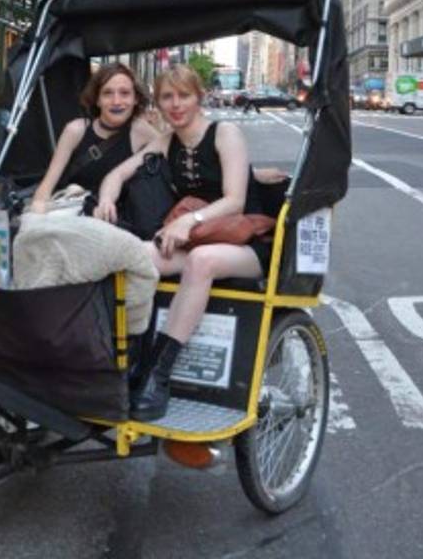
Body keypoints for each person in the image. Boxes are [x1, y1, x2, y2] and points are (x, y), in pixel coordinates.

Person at [96, 65, 267, 421]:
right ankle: (133, 363)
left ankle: (159, 375)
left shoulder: (225, 133)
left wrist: (191, 220)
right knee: (137, 256)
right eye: (167, 97)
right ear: (157, 103)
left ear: (198, 96)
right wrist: (106, 200)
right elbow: (118, 173)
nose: (176, 105)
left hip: (247, 241)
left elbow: (235, 200)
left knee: (201, 261)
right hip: (194, 238)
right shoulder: (167, 140)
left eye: (183, 96)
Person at [29, 63, 159, 212]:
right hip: (72, 217)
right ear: (97, 100)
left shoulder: (141, 130)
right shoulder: (75, 130)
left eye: (124, 93)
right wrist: (36, 212)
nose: (116, 101)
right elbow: (46, 187)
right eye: (107, 93)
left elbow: (173, 146)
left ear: (136, 99)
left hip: (116, 223)